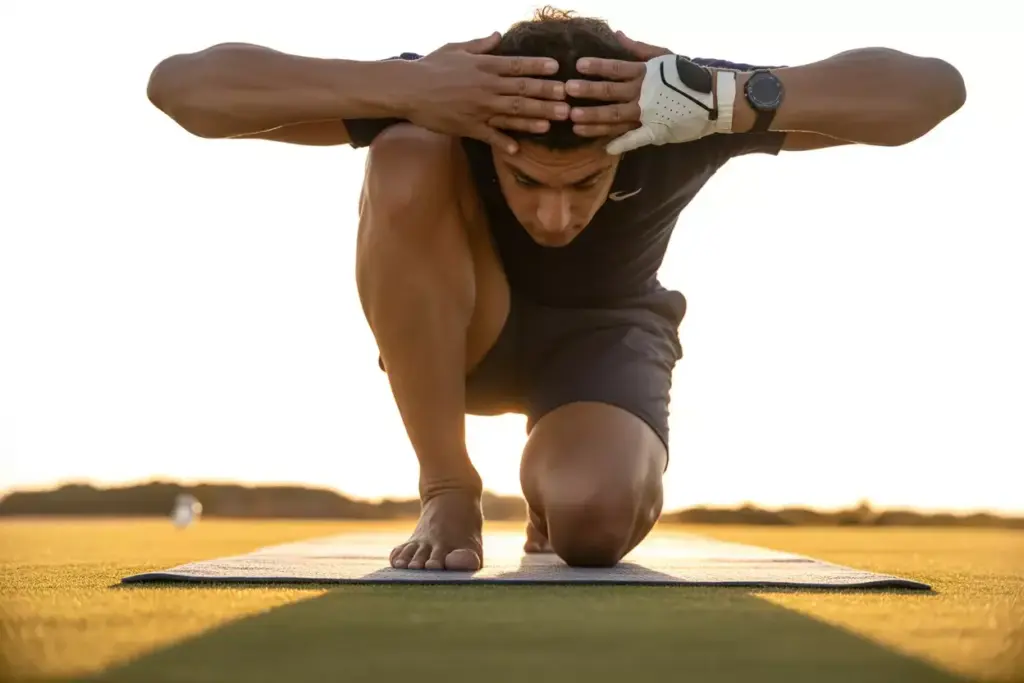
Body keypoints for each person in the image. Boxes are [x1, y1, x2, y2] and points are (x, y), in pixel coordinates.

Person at [146, 7, 966, 571]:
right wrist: (406, 89)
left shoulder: (675, 105)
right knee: (404, 149)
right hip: (464, 322)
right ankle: (447, 490)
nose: (556, 213)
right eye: (528, 180)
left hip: (605, 339)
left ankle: (553, 490)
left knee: (594, 517)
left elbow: (932, 90)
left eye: (585, 184)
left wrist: (726, 99)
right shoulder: (462, 92)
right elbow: (181, 87)